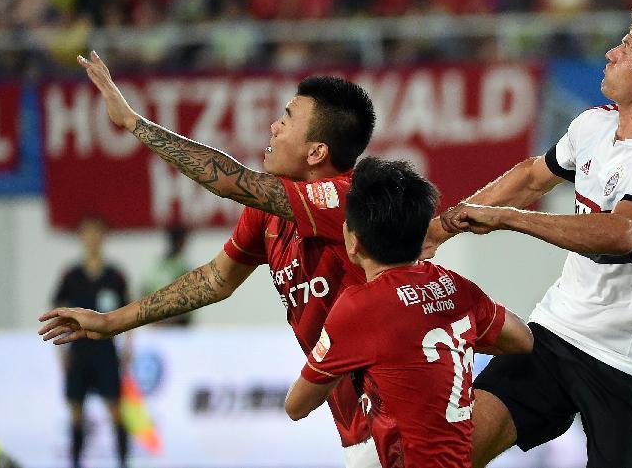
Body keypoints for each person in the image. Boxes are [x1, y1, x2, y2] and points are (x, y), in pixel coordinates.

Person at [39, 55, 382, 467]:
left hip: (398, 415)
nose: (273, 127)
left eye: (286, 119)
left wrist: (134, 123)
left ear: (316, 152)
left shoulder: (348, 198)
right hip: (357, 430)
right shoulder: (268, 212)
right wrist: (113, 322)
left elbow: (227, 181)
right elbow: (215, 280)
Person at [427, 0, 632, 467]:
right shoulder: (593, 125)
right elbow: (530, 177)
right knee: (450, 452)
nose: (611, 53)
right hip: (558, 330)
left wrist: (509, 219)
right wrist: (442, 228)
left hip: (631, 363)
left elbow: (620, 233)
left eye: (626, 47)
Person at [285, 157, 534, 468]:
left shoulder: (359, 307)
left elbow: (296, 406)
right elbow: (523, 339)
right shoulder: (454, 285)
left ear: (352, 240)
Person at [50, 216, 131, 468]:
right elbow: (58, 313)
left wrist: (128, 346)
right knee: (76, 413)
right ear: (81, 238)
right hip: (79, 350)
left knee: (116, 411)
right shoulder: (71, 276)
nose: (92, 239)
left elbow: (129, 311)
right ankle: (75, 462)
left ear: (103, 237)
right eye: (87, 234)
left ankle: (123, 462)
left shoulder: (115, 276)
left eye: (97, 234)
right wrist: (61, 352)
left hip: (105, 350)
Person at [141, 225, 192, 326]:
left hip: (162, 324)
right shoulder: (182, 268)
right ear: (181, 243)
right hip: (172, 326)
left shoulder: (157, 266)